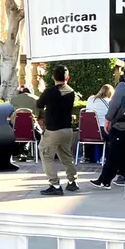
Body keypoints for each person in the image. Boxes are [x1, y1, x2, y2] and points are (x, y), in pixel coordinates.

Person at [34, 65, 79, 195]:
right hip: (67, 130)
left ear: (53, 77)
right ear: (68, 78)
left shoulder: (49, 92)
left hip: (53, 130)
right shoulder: (71, 92)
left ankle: (55, 184)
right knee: (66, 156)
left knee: (45, 154)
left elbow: (39, 104)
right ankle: (72, 181)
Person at [91, 63, 125, 189]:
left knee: (114, 153)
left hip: (121, 125)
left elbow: (114, 105)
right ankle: (123, 176)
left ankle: (105, 180)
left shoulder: (122, 87)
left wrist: (108, 120)